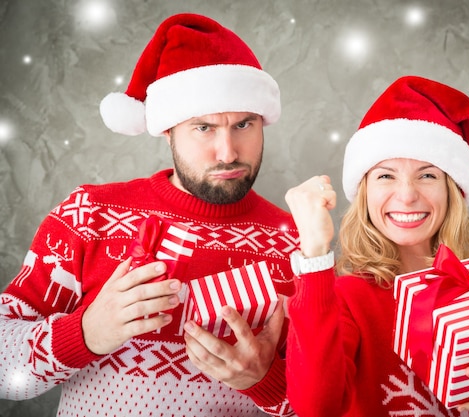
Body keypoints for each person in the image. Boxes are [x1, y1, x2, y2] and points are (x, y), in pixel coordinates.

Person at [0, 13, 299, 417]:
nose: (228, 152)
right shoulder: (89, 215)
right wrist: (84, 333)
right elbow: (4, 365)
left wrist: (265, 382)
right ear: (167, 130)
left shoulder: (295, 240)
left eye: (244, 124)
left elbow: (330, 403)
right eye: (204, 128)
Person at [284, 76, 469, 416]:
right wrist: (314, 254)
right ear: (365, 192)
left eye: (427, 175)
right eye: (386, 175)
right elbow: (315, 407)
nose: (408, 194)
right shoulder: (347, 299)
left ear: (451, 192)